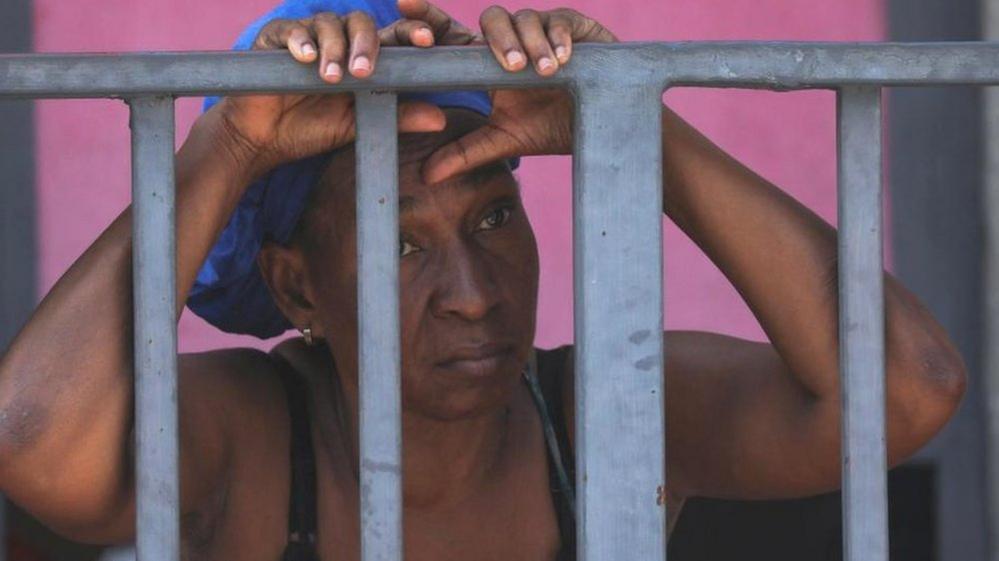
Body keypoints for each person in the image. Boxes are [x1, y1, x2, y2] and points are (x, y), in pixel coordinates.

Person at [0, 0, 967, 559]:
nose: (473, 290)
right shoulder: (249, 435)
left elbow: (908, 386)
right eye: (400, 241)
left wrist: (635, 122)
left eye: (494, 216)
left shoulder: (606, 413)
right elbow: (33, 437)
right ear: (297, 292)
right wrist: (233, 141)